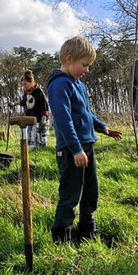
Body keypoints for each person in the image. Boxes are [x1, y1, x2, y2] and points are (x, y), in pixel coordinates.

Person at [46, 36, 122, 244]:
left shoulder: (78, 84)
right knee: (70, 195)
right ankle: (62, 236)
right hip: (72, 151)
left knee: (91, 191)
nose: (87, 70)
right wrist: (76, 150)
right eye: (85, 65)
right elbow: (64, 120)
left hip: (86, 148)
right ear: (69, 59)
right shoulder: (59, 85)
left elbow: (85, 114)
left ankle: (87, 231)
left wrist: (103, 128)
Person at [9, 70, 50, 149]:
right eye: (22, 84)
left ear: (31, 82)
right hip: (30, 119)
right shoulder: (26, 92)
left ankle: (40, 152)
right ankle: (30, 152)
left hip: (39, 119)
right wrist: (14, 104)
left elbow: (44, 105)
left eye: (25, 84)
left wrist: (44, 117)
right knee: (30, 138)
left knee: (40, 139)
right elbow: (25, 102)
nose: (24, 86)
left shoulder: (38, 91)